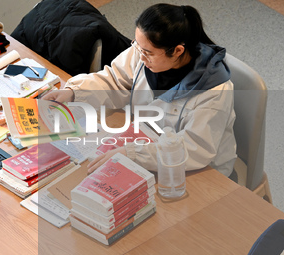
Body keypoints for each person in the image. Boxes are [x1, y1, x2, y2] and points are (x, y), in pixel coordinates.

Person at [45, 3, 236, 177]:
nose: (140, 56)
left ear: (178, 51)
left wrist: (134, 153)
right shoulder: (144, 52)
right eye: (137, 46)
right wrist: (74, 92)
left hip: (198, 170)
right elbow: (115, 80)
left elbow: (193, 148)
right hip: (143, 143)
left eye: (147, 52)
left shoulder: (214, 91)